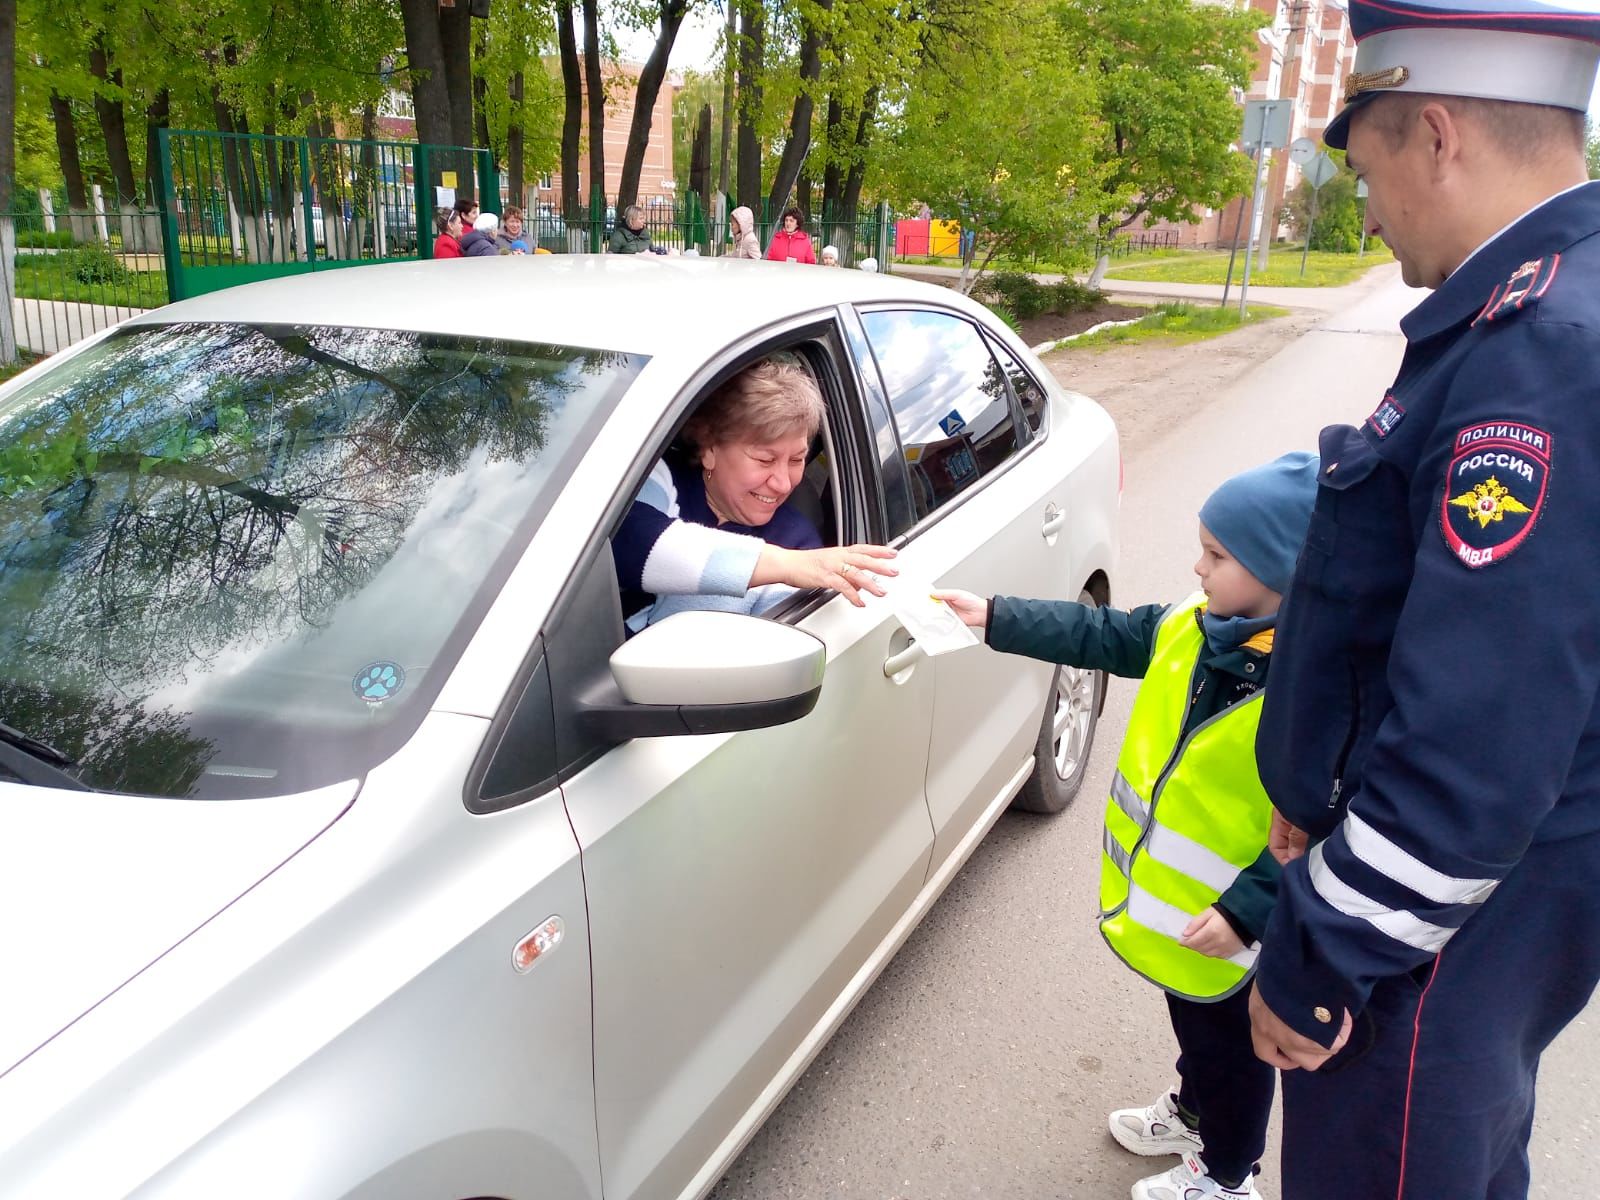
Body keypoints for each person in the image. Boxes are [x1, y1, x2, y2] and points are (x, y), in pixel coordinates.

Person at [1241, 4, 1600, 1199]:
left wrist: (1316, 954)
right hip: (1494, 905)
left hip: (1432, 935)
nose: (1366, 206)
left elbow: (1474, 746)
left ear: (1436, 134)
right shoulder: (1552, 304)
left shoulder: (1535, 351)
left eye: (1364, 167)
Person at [936, 453, 1319, 1200]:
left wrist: (1247, 913)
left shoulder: (1312, 692)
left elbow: (1319, 829)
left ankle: (1230, 1173)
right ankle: (1193, 1112)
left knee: (1234, 1051)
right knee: (1197, 1033)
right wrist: (995, 617)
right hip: (1184, 918)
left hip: (1237, 929)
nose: (1197, 567)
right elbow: (1106, 635)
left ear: (1282, 573)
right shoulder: (1197, 624)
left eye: (1217, 555)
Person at [613, 359, 896, 632]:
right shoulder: (659, 477)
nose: (784, 483)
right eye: (764, 460)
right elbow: (629, 545)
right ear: (710, 450)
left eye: (797, 460)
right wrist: (785, 565)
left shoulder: (797, 540)